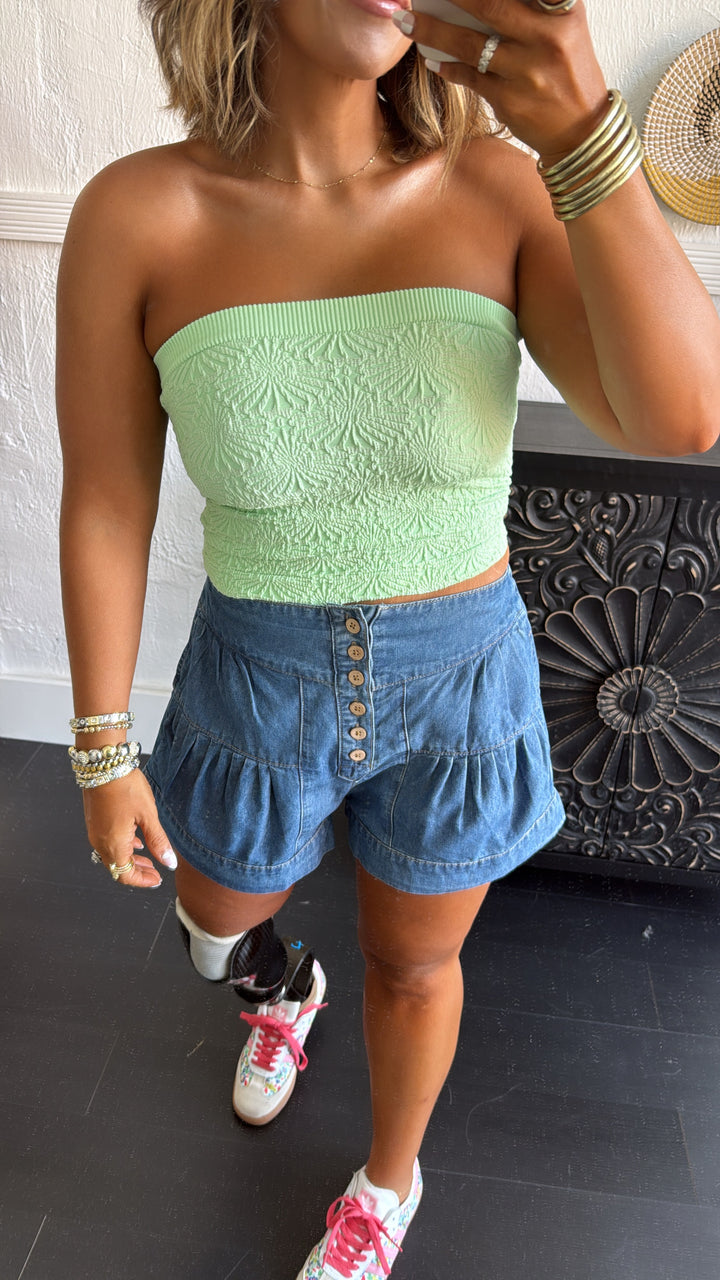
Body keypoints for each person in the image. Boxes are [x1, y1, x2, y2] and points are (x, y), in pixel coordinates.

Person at [56, 1, 720, 1276]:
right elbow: (105, 495)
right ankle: (282, 990)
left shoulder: (499, 189)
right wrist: (100, 743)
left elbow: (683, 415)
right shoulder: (139, 213)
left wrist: (584, 130)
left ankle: (387, 1181)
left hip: (459, 683)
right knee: (212, 915)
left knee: (416, 966)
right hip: (253, 677)